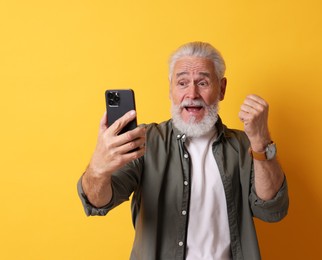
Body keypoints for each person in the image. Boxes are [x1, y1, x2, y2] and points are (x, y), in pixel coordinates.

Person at [77, 41, 289, 260]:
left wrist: (261, 140)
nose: (192, 93)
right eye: (182, 83)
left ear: (222, 88)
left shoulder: (245, 145)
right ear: (170, 89)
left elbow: (272, 210)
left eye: (203, 82)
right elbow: (97, 201)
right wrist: (98, 168)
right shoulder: (143, 141)